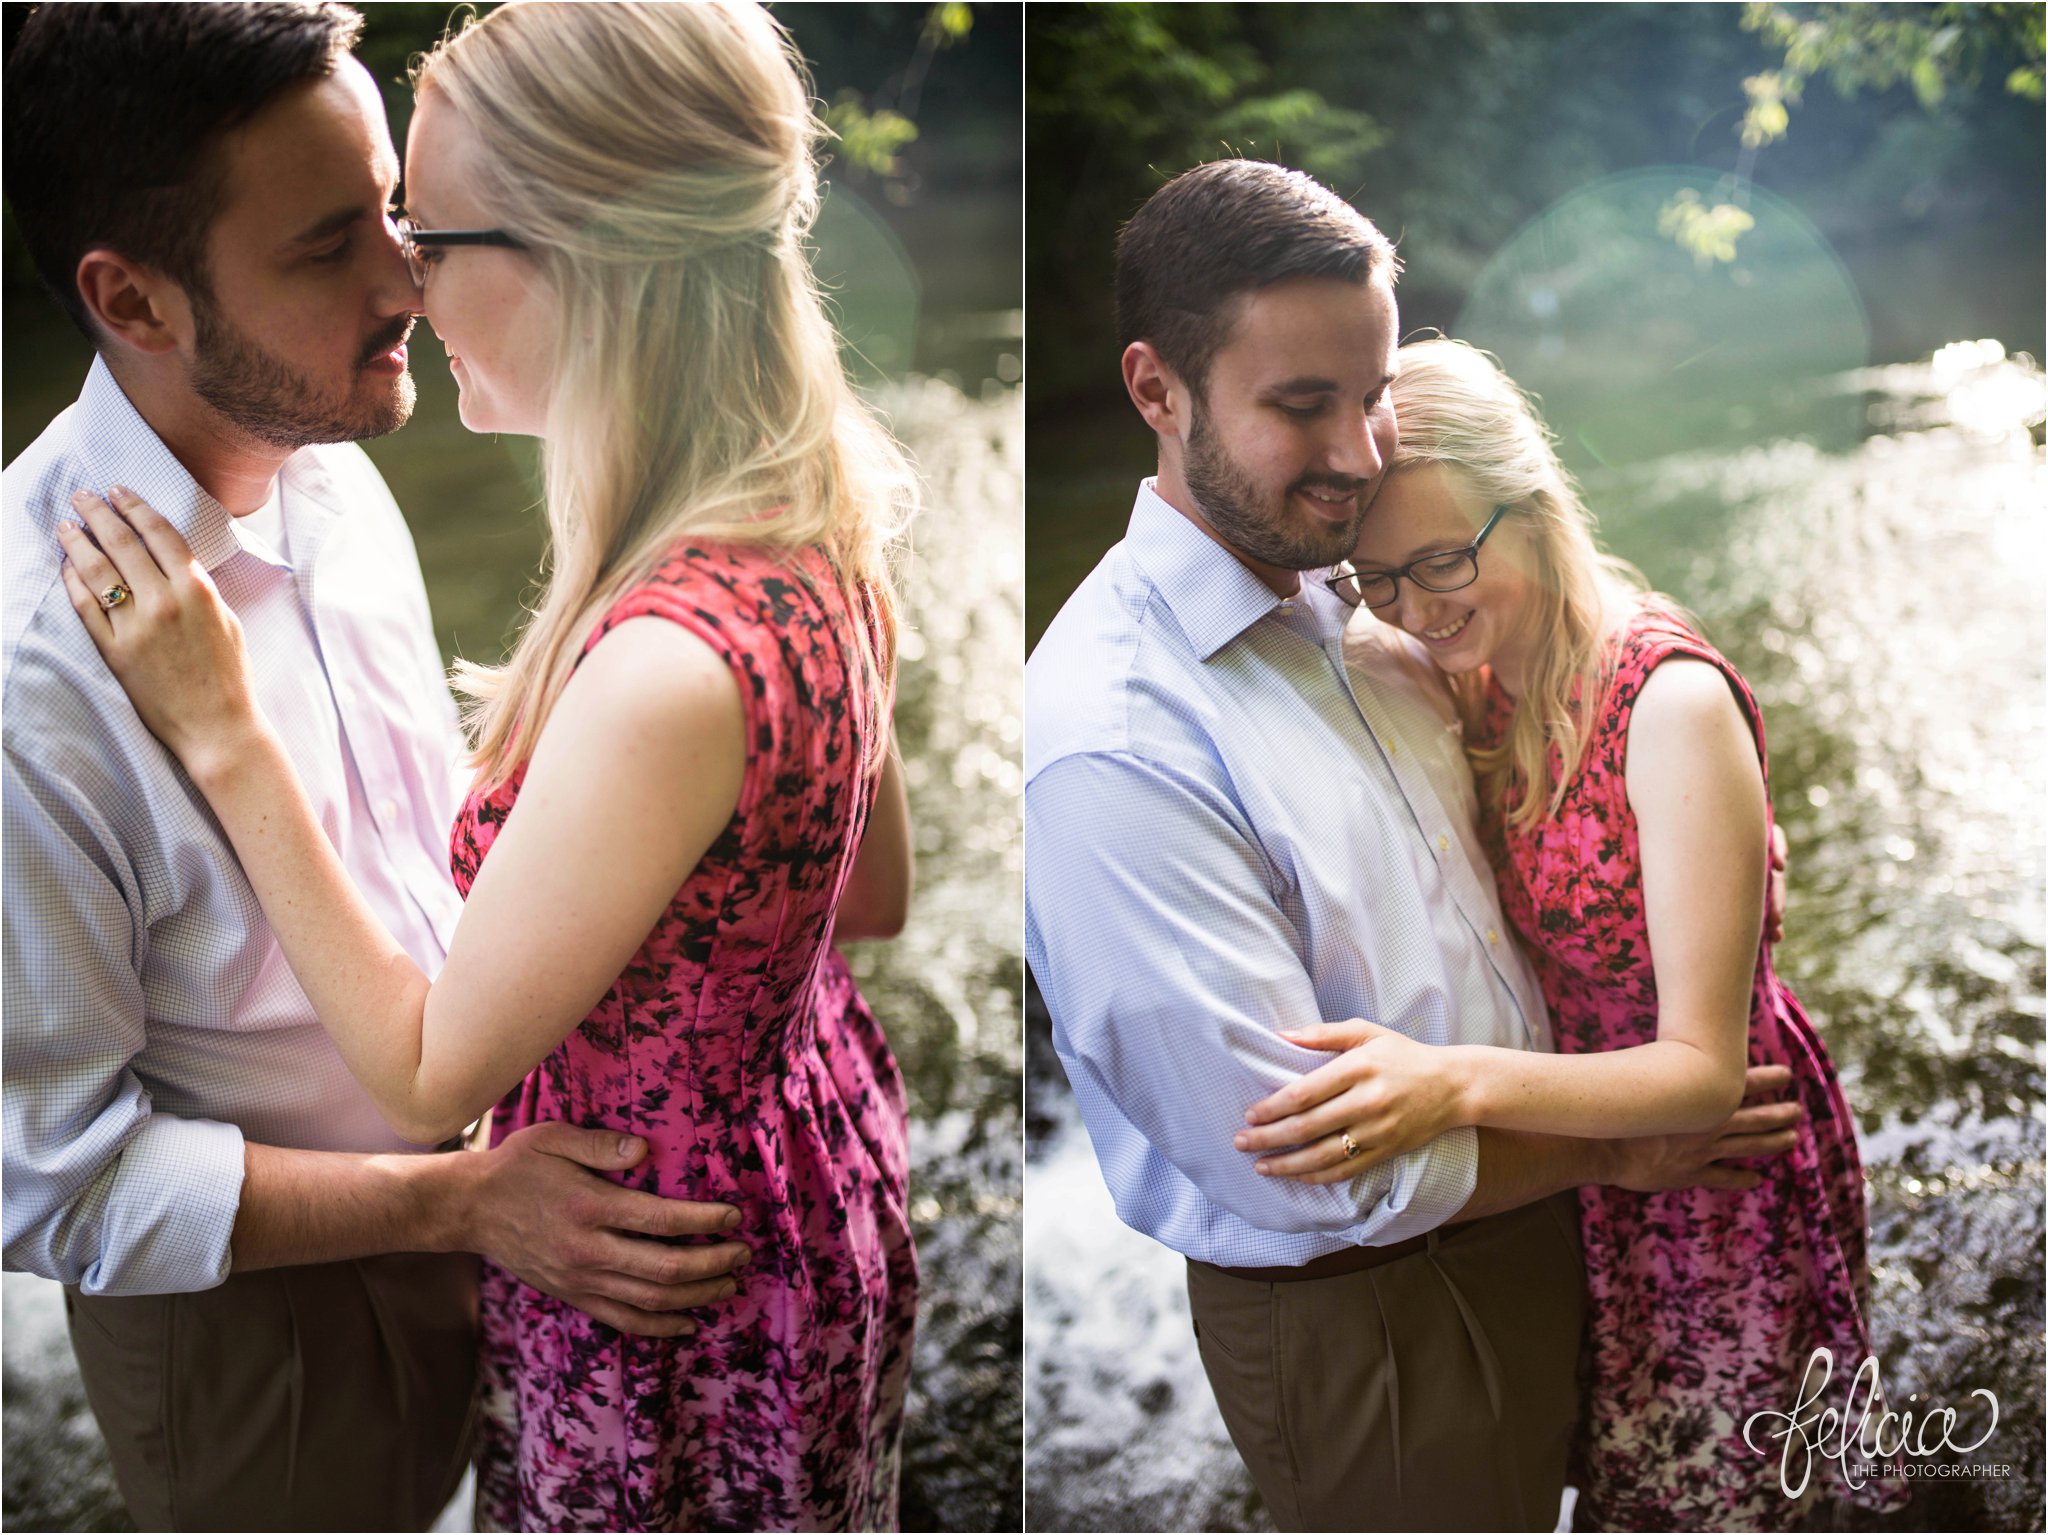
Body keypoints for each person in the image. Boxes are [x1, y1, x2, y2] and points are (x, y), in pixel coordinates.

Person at [54, 2, 920, 1530]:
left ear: (589, 262)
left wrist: (226, 736)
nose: (403, 280)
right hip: (744, 1199)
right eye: (359, 235)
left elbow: (432, 1059)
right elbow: (866, 890)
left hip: (642, 1271)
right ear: (135, 298)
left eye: (424, 228)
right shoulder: (818, 525)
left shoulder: (643, 643)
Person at [1024, 157, 1805, 1532]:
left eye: (1373, 393)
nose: (1360, 454)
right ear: (1157, 390)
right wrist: (1611, 1151)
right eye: (1301, 405)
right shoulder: (1118, 734)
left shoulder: (1356, 587)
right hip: (1379, 1311)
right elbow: (1304, 1160)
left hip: (1580, 1225)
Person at [1234, 337, 1901, 1528]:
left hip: (1704, 1178)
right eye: (1375, 578)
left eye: (1441, 559)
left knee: (1710, 1497)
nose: (1414, 609)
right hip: (1585, 1166)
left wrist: (1448, 1083)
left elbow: (1700, 1072)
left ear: (1531, 499)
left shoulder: (1668, 704)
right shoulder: (1469, 668)